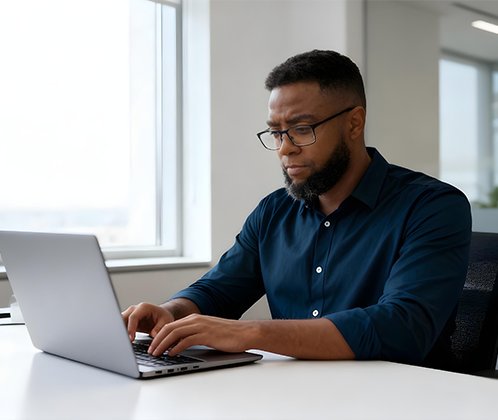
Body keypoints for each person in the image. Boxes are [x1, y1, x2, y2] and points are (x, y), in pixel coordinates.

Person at [121, 50, 472, 369]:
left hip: (401, 399)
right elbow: (217, 291)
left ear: (354, 123)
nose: (284, 149)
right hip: (294, 394)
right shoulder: (273, 212)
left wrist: (251, 334)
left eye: (301, 130)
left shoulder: (433, 207)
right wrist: (171, 312)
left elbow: (402, 328)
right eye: (276, 132)